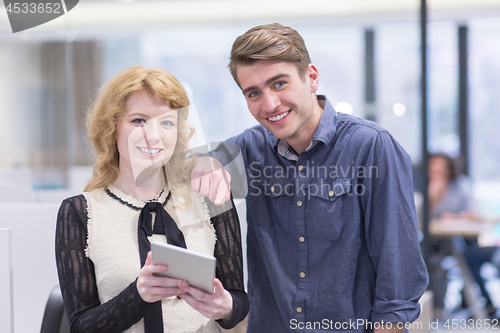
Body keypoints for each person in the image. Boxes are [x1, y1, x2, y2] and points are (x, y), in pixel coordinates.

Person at [192, 23, 428, 332]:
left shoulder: (371, 146)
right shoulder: (251, 148)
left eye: (279, 84)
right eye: (253, 93)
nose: (270, 105)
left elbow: (397, 274)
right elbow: (172, 170)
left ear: (311, 77)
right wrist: (203, 162)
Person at [55, 66, 248, 333]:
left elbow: (238, 300)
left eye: (166, 122)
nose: (153, 135)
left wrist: (224, 306)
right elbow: (80, 326)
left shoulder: (209, 197)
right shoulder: (80, 212)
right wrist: (138, 295)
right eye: (138, 120)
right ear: (113, 128)